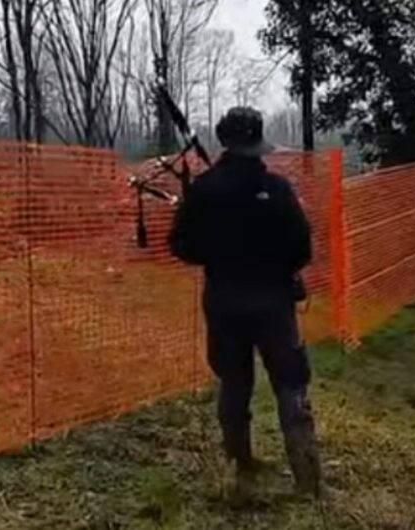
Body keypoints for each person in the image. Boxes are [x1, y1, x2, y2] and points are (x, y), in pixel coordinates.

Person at [168, 107, 322, 495]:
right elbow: (303, 248)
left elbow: (182, 246)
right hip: (274, 304)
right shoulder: (280, 189)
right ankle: (308, 481)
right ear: (257, 144)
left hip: (223, 301)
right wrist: (277, 265)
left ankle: (239, 468)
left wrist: (219, 256)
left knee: (234, 382)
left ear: (224, 141)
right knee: (291, 383)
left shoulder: (202, 190)